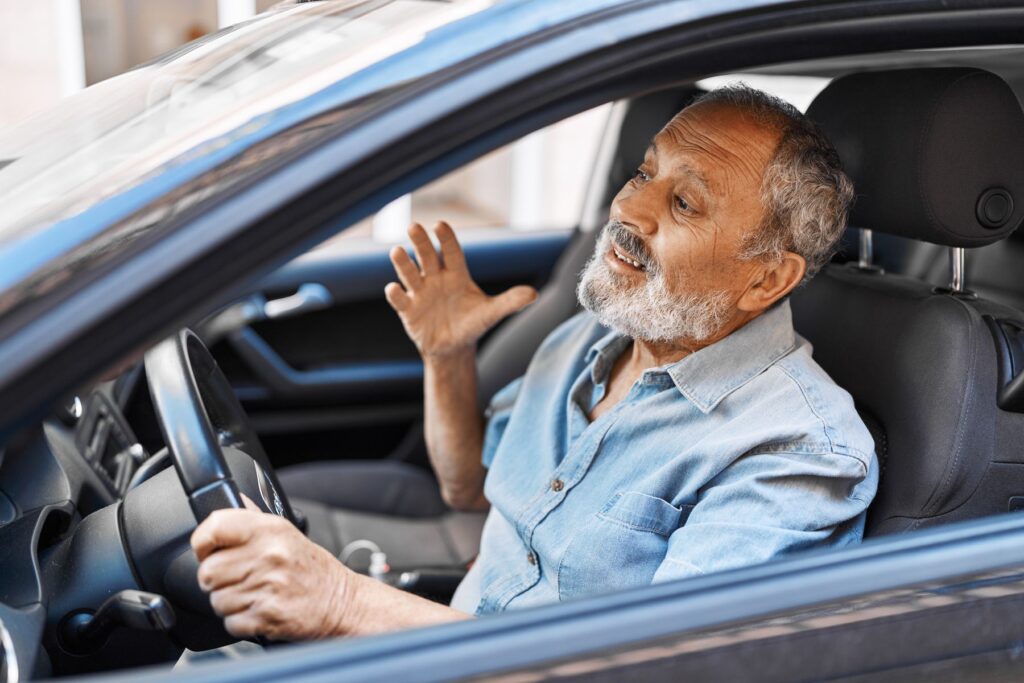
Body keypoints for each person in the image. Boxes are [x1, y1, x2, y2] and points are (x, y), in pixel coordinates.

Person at [189, 85, 878, 641]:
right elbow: (468, 486)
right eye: (643, 171)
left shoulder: (798, 449)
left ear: (766, 280)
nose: (629, 208)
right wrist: (447, 356)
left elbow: (656, 670)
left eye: (683, 202)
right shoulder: (590, 338)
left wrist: (341, 600)